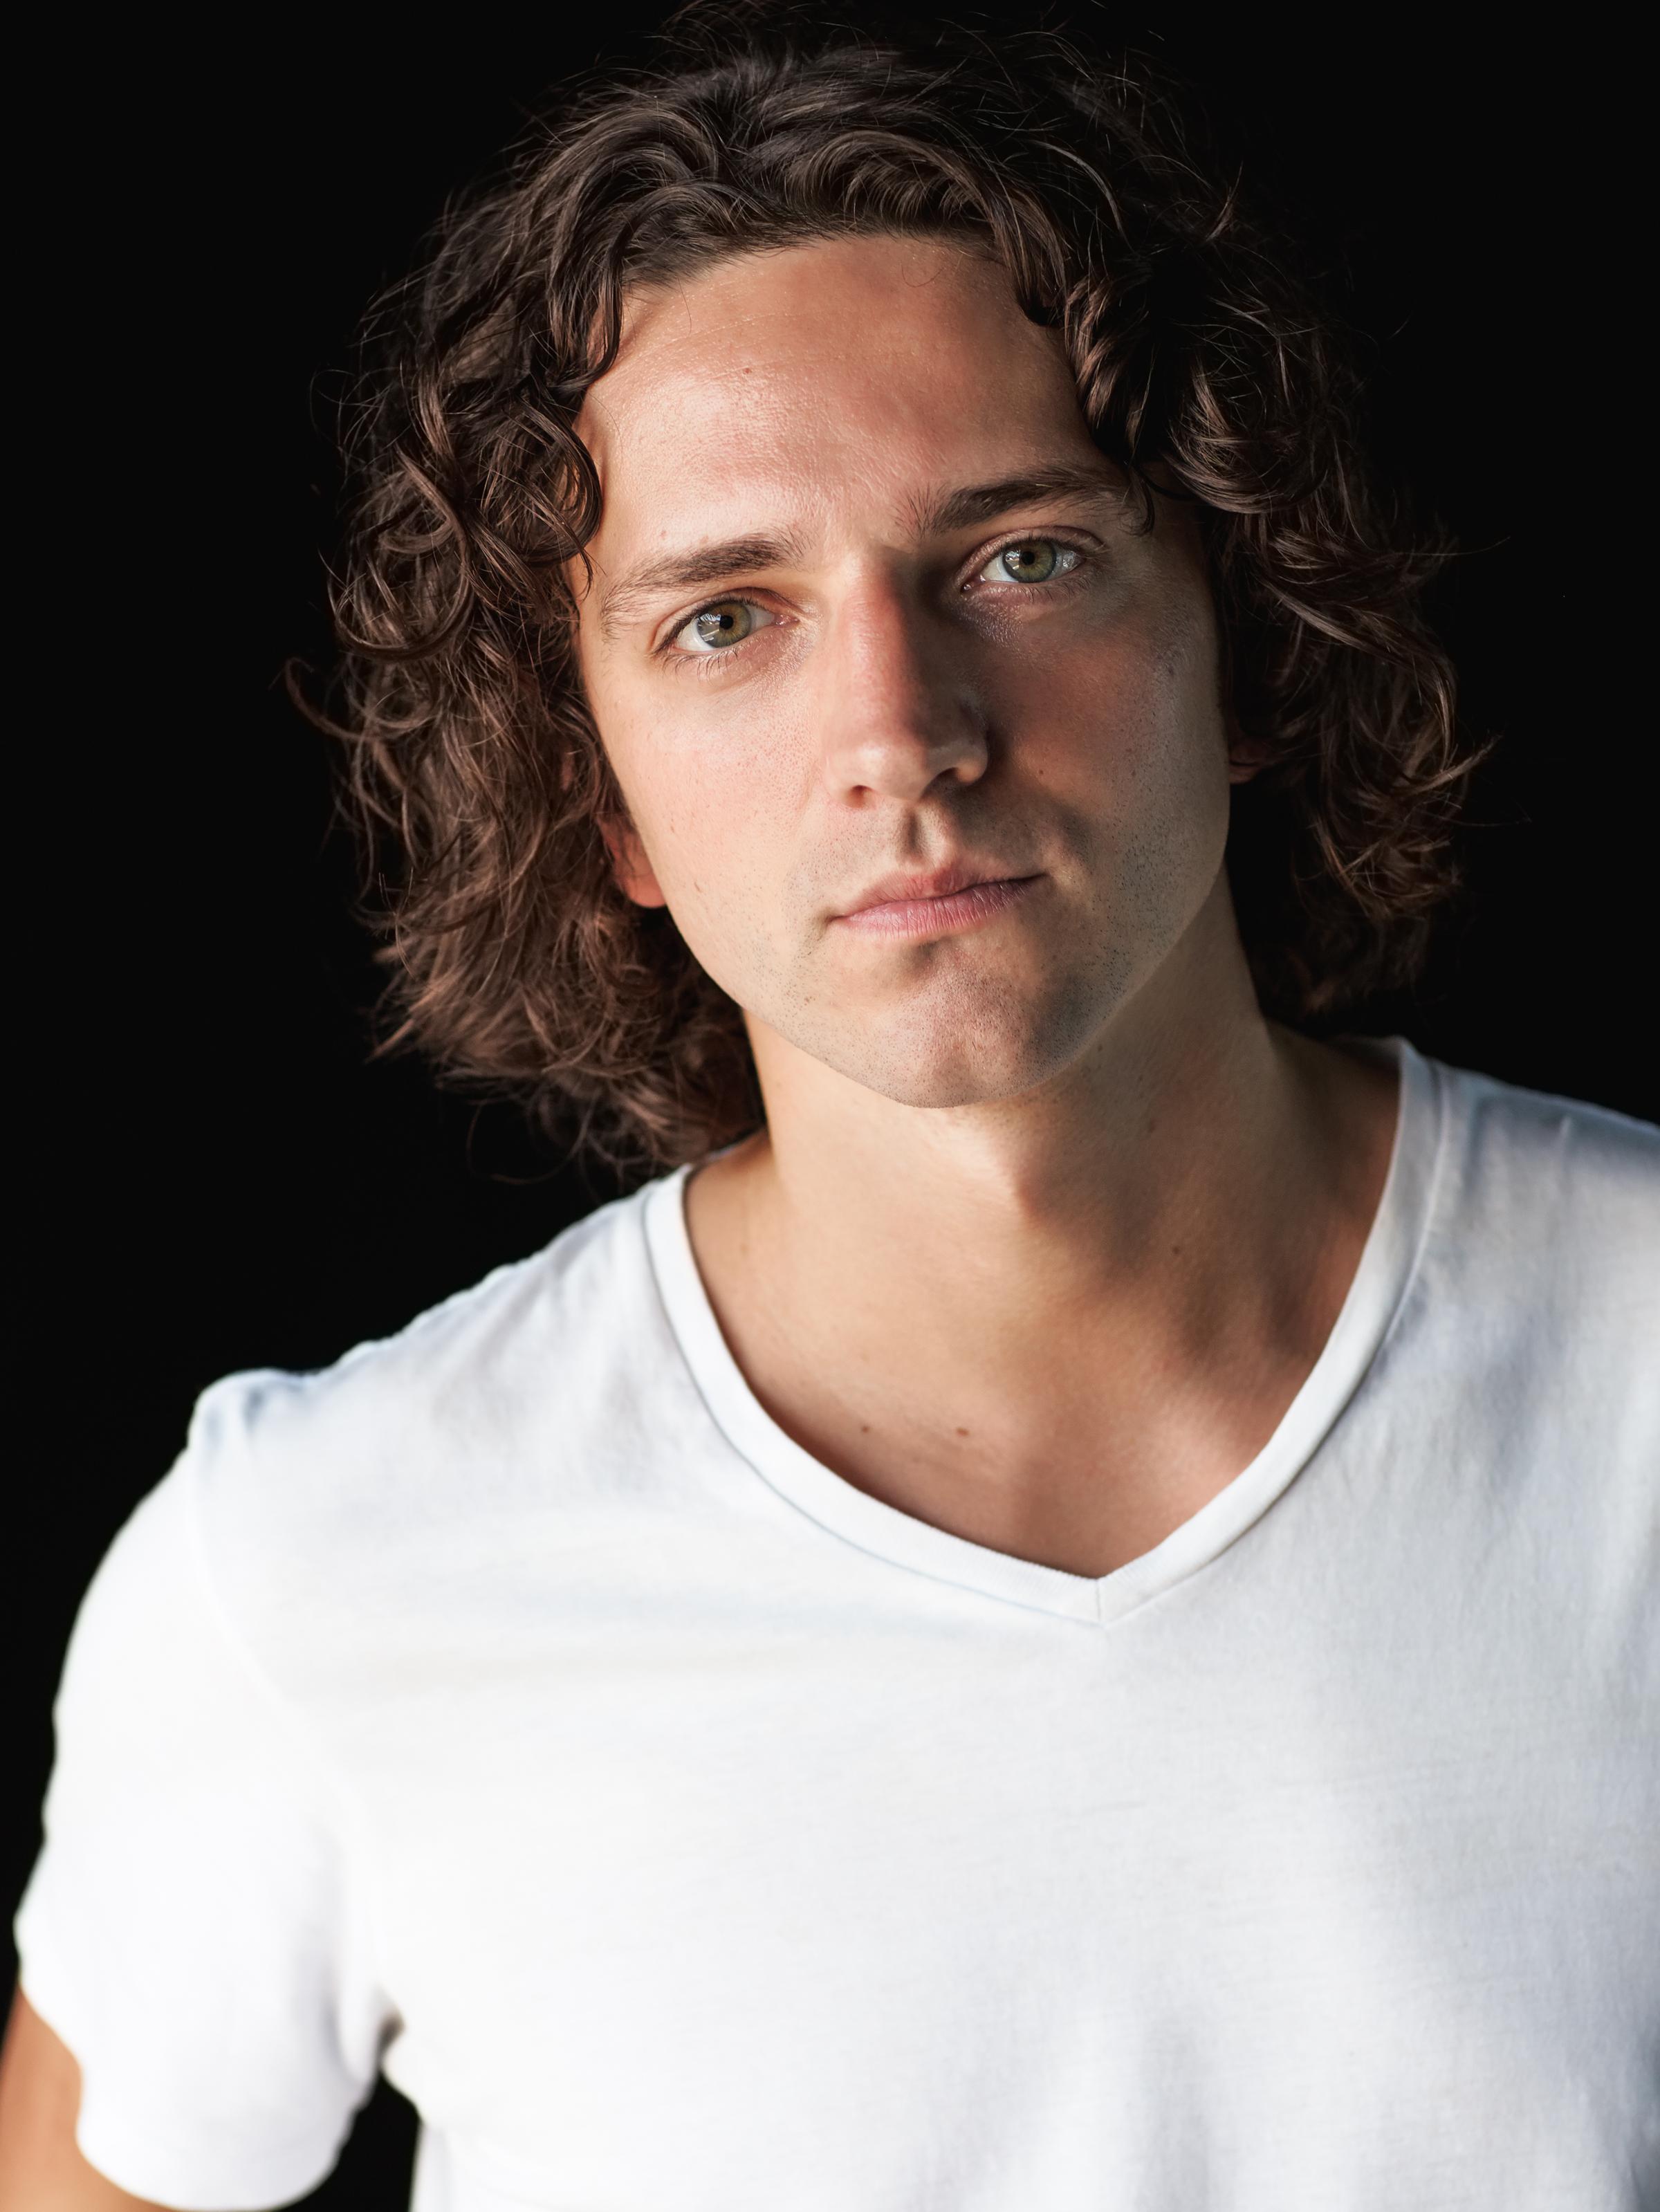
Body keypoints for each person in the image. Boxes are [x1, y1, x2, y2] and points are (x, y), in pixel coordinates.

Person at [3, 19, 1655, 2211]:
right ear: (598, 797)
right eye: (726, 618)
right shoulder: (317, 1567)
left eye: (1022, 558)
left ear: (1247, 632)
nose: (900, 728)